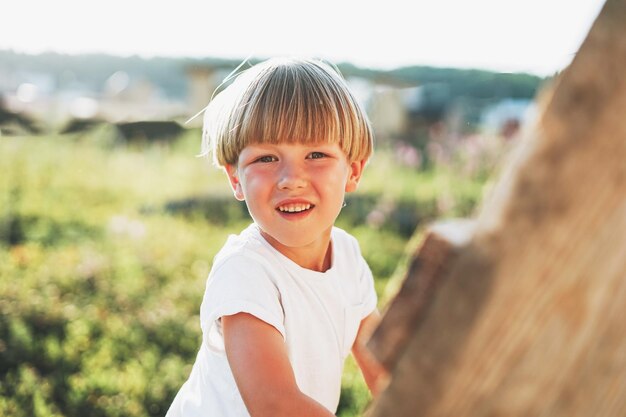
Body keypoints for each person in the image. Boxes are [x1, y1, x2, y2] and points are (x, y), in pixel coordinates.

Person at [166, 57, 387, 417]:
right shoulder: (245, 271)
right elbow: (276, 406)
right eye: (267, 158)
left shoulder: (347, 255)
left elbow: (384, 369)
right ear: (235, 178)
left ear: (354, 171)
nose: (291, 178)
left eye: (316, 154)